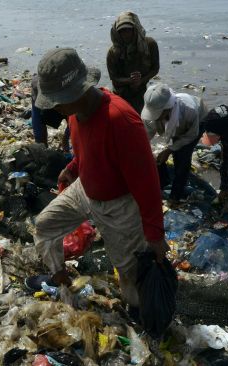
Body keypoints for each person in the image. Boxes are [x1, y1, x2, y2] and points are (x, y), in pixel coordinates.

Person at [31, 47, 167, 309]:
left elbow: (147, 182)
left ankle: (142, 312)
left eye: (58, 101)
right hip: (86, 188)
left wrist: (155, 235)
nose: (56, 108)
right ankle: (60, 278)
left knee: (130, 272)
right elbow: (88, 147)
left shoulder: (121, 120)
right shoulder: (73, 113)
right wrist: (73, 167)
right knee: (45, 226)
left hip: (120, 204)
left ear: (78, 92)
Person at [142, 83, 208, 202]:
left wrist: (169, 150)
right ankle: (163, 183)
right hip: (178, 123)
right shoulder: (152, 112)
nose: (154, 117)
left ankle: (176, 195)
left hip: (197, 121)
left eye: (158, 114)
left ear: (167, 108)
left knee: (182, 157)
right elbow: (145, 136)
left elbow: (190, 136)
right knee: (157, 158)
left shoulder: (189, 111)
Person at [30, 68, 101, 150]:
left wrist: (65, 139)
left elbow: (73, 120)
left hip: (67, 102)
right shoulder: (39, 87)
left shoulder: (72, 96)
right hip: (45, 103)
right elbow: (37, 121)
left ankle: (65, 146)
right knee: (40, 142)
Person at [106, 11, 159, 113]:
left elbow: (155, 68)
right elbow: (114, 78)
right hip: (121, 93)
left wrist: (141, 80)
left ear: (135, 29)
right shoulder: (113, 52)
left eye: (128, 30)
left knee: (142, 118)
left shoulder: (149, 45)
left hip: (141, 90)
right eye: (122, 31)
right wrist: (130, 80)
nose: (126, 34)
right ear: (117, 33)